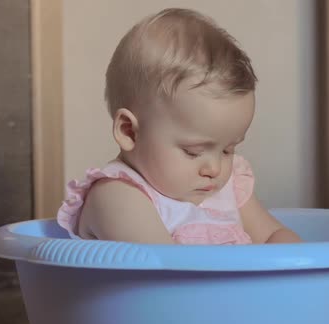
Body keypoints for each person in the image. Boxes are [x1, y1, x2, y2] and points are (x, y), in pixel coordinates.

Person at [57, 8, 302, 245]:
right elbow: (169, 273)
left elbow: (273, 236)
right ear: (129, 131)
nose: (215, 168)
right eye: (193, 152)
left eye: (228, 149)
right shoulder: (117, 195)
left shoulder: (228, 187)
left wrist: (300, 260)